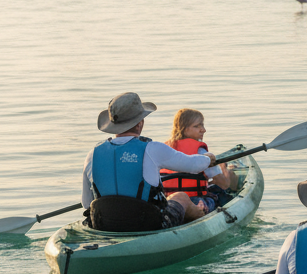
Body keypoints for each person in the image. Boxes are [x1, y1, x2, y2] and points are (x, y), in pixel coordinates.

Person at [82, 92, 218, 230]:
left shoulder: (92, 154)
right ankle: (202, 217)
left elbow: (87, 204)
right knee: (181, 197)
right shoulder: (152, 148)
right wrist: (208, 158)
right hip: (147, 224)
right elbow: (193, 165)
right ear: (140, 123)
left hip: (103, 225)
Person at [161, 108, 238, 213]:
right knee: (219, 191)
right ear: (183, 129)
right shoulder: (201, 152)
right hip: (196, 202)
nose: (203, 130)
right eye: (197, 126)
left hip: (169, 201)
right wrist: (225, 170)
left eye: (202, 125)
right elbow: (224, 184)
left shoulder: (164, 149)